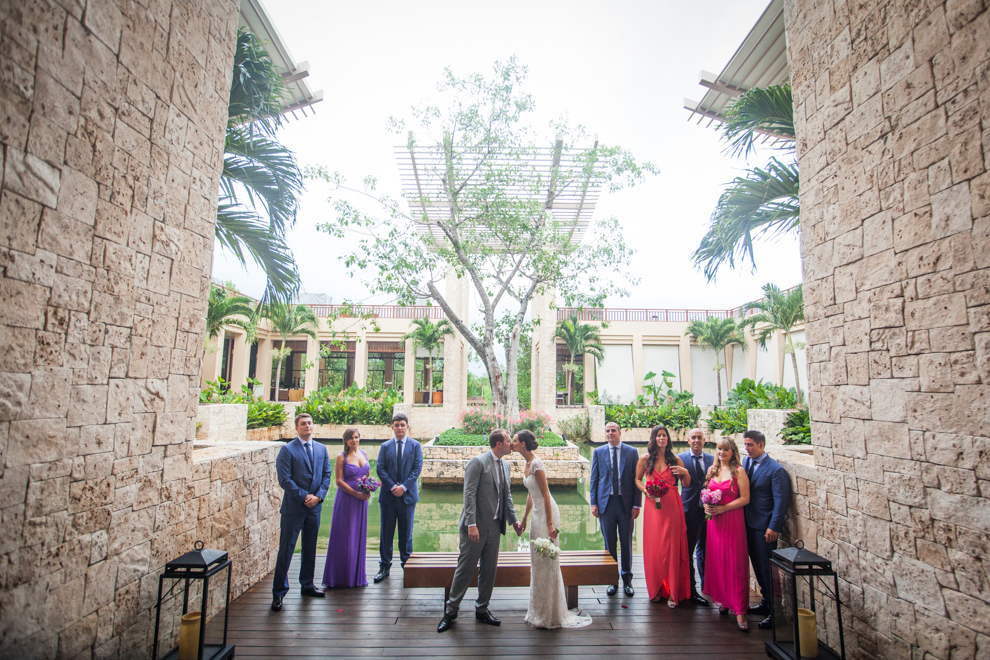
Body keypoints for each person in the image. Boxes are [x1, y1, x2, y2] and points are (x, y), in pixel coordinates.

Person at [437, 429, 523, 633]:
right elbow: (469, 495)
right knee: (465, 569)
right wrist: (471, 524)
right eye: (509, 441)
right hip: (475, 527)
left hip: (495, 526)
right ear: (499, 444)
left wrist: (514, 521)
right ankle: (450, 612)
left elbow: (507, 497)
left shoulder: (506, 465)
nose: (512, 444)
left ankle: (482, 609)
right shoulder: (477, 462)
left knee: (489, 570)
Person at [514, 430, 592, 629]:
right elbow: (532, 494)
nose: (512, 443)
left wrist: (550, 525)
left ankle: (551, 614)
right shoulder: (526, 464)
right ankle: (537, 610)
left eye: (514, 441)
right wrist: (524, 518)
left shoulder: (537, 464)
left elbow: (546, 495)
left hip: (548, 514)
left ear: (523, 444)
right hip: (536, 515)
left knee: (548, 561)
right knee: (536, 561)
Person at [271, 413, 333, 611]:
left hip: (314, 507)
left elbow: (326, 475)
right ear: (296, 428)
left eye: (309, 423)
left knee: (310, 548)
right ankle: (278, 593)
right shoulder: (287, 450)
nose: (307, 426)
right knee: (286, 550)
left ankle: (307, 585)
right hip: (294, 508)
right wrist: (304, 496)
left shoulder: (322, 449)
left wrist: (318, 497)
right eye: (303, 424)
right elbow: (284, 479)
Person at [634, 424, 692, 607]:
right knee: (655, 547)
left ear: (668, 439)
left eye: (664, 435)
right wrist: (646, 491)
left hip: (672, 507)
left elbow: (687, 484)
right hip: (653, 508)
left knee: (672, 548)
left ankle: (673, 592)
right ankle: (656, 588)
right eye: (658, 435)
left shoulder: (675, 460)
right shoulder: (645, 459)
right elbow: (637, 479)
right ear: (653, 438)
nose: (661, 438)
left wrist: (686, 472)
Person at [742, 430, 792, 629]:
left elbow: (781, 502)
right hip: (748, 524)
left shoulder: (776, 470)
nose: (747, 449)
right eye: (745, 445)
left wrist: (774, 527)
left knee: (767, 569)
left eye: (750, 445)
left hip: (764, 528)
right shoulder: (746, 463)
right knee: (757, 566)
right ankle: (765, 602)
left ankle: (775, 612)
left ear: (761, 445)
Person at [702, 436, 751, 632]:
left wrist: (724, 509)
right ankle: (722, 599)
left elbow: (745, 498)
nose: (721, 453)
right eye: (719, 449)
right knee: (718, 561)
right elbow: (707, 491)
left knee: (735, 563)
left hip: (732, 521)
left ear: (732, 452)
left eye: (725, 450)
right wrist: (707, 504)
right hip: (714, 524)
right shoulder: (712, 470)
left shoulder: (738, 471)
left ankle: (740, 610)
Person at [589, 422, 641, 596]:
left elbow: (637, 480)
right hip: (606, 503)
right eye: (607, 431)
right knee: (609, 543)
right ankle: (612, 580)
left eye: (613, 430)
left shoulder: (632, 452)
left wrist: (636, 504)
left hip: (625, 504)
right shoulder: (598, 452)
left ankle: (627, 580)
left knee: (626, 542)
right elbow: (594, 478)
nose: (610, 433)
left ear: (620, 432)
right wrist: (593, 503)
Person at [374, 413, 423, 583]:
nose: (400, 428)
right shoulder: (385, 446)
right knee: (386, 533)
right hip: (388, 497)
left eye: (402, 425)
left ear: (407, 427)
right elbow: (380, 469)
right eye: (397, 425)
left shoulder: (415, 446)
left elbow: (417, 469)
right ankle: (384, 565)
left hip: (407, 497)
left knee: (406, 532)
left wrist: (403, 487)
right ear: (392, 427)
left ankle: (406, 564)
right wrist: (392, 486)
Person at [321, 428, 371, 588]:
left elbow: (367, 475)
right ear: (345, 441)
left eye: (356, 437)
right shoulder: (340, 457)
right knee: (345, 535)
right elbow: (338, 481)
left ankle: (356, 575)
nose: (354, 440)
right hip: (347, 499)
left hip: (361, 500)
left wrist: (368, 487)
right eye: (351, 438)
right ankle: (340, 577)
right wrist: (356, 494)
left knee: (357, 535)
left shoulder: (364, 453)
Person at [677, 428, 715, 605]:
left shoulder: (712, 460)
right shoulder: (680, 459)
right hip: (688, 511)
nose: (697, 440)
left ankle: (707, 586)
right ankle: (690, 589)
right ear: (688, 440)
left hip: (708, 512)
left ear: (704, 440)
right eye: (693, 437)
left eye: (699, 438)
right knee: (688, 549)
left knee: (705, 550)